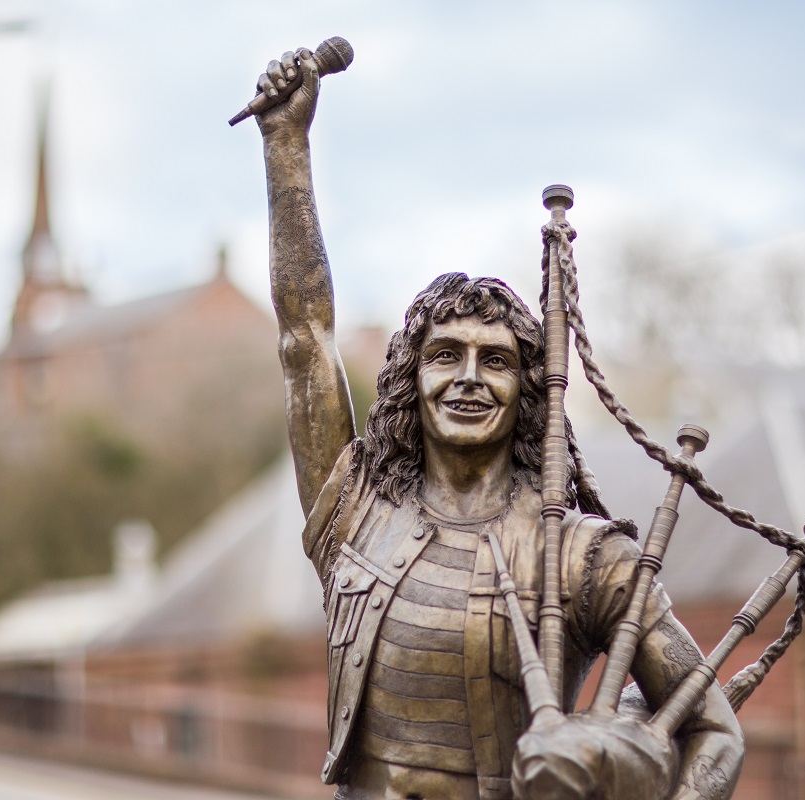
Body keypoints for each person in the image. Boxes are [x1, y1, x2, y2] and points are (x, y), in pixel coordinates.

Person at [254, 46, 743, 800]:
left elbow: (710, 727)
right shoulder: (354, 511)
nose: (469, 379)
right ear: (408, 382)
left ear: (529, 391)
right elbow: (302, 339)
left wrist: (629, 766)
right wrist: (287, 147)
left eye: (497, 360)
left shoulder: (580, 558)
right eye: (444, 355)